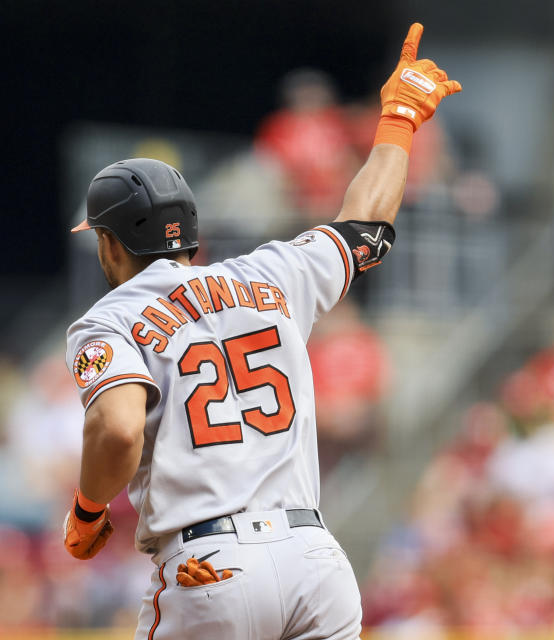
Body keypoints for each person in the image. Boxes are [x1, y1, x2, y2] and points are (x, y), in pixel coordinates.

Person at [63, 23, 461, 639]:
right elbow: (365, 226)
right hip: (315, 560)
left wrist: (89, 512)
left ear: (110, 244)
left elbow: (116, 428)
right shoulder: (274, 273)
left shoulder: (109, 320)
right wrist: (399, 123)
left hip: (209, 565)